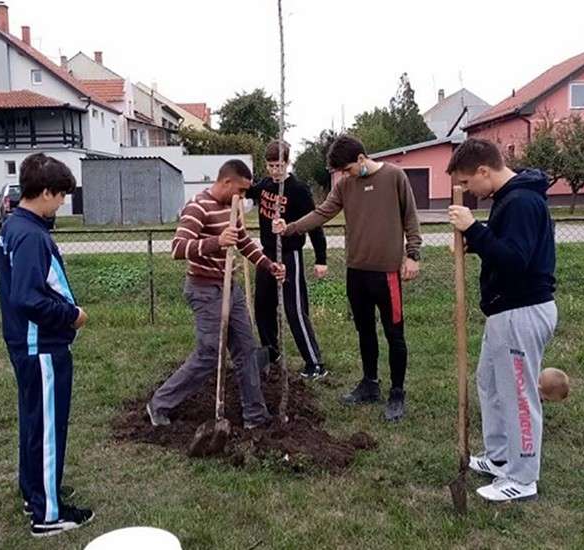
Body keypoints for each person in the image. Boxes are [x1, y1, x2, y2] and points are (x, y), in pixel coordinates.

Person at [273, 135, 422, 421]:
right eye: (341, 172)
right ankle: (370, 384)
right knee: (364, 330)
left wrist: (412, 255)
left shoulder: (395, 176)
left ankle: (397, 393)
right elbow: (321, 213)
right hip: (356, 272)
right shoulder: (345, 185)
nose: (346, 175)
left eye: (348, 169)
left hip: (387, 272)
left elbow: (410, 218)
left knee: (394, 335)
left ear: (362, 159)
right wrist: (290, 227)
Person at [447, 137, 558, 503]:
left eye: (466, 182)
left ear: (484, 171)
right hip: (504, 310)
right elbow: (503, 246)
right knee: (491, 383)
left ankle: (523, 476)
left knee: (518, 395)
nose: (466, 190)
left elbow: (514, 261)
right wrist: (475, 241)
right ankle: (500, 457)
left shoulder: (522, 202)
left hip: (522, 310)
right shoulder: (508, 199)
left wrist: (474, 230)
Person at [147, 160, 286, 429]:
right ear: (226, 182)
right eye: (242, 191)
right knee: (209, 353)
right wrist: (216, 242)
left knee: (246, 349)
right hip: (204, 289)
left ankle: (255, 416)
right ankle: (160, 404)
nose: (244, 197)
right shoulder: (198, 207)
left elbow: (244, 242)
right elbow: (178, 248)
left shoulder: (231, 208)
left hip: (229, 289)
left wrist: (269, 266)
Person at [0, 153, 93, 537]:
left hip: (27, 344)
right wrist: (72, 316)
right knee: (49, 428)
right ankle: (48, 514)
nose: (64, 202)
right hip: (41, 348)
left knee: (34, 422)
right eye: (62, 195)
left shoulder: (15, 226)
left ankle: (35, 491)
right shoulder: (32, 235)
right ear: (47, 192)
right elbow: (27, 298)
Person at [246, 139, 328, 380]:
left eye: (279, 166)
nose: (275, 171)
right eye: (271, 166)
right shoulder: (264, 186)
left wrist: (321, 258)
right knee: (263, 305)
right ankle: (271, 352)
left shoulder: (298, 190)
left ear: (287, 162)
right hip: (267, 254)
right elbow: (246, 189)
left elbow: (315, 225)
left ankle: (314, 363)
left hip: (291, 254)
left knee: (294, 309)